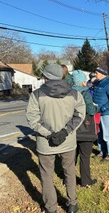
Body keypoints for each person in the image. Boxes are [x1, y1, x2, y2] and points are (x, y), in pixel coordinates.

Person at [26, 63, 86, 213]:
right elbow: (79, 115)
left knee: (46, 175)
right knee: (69, 172)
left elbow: (32, 119)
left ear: (46, 77)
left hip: (45, 143)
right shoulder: (74, 94)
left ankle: (50, 208)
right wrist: (65, 132)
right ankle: (72, 204)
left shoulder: (36, 95)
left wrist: (49, 133)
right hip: (68, 141)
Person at [72, 70, 99, 187]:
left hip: (71, 128)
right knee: (85, 156)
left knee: (71, 158)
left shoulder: (68, 92)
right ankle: (86, 181)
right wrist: (96, 107)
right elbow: (91, 110)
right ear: (82, 82)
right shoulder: (85, 94)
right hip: (85, 128)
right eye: (85, 80)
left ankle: (69, 180)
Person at [92, 65, 109, 161]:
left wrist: (103, 108)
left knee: (107, 134)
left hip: (106, 113)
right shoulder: (98, 83)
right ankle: (101, 151)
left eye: (97, 73)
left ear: (102, 74)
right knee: (99, 133)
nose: (95, 74)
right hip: (97, 113)